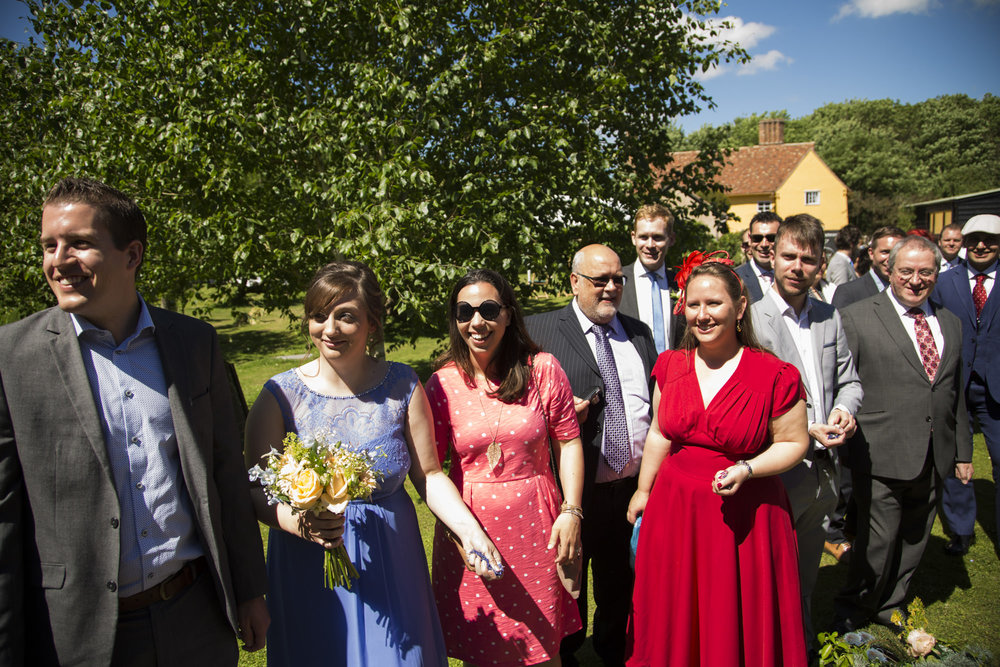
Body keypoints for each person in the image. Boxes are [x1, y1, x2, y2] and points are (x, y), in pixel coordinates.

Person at [0, 177, 269, 666]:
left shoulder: (194, 343)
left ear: (132, 255)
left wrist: (250, 591)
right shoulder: (11, 358)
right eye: (49, 245)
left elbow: (226, 474)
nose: (58, 260)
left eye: (79, 243)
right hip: (78, 634)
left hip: (196, 616)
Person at [245, 262, 501, 666]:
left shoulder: (402, 385)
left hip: (391, 559)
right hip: (307, 565)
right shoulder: (278, 396)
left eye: (345, 316)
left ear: (373, 323)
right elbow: (255, 491)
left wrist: (469, 530)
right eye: (318, 316)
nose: (329, 329)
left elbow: (430, 475)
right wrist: (300, 522)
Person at [626, 257, 810, 666]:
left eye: (714, 304)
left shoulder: (776, 375)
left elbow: (794, 442)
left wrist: (748, 469)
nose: (702, 315)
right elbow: (660, 431)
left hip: (747, 516)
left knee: (733, 614)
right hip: (675, 510)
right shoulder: (670, 365)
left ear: (740, 307)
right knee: (676, 611)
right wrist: (642, 491)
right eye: (693, 305)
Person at [427, 268, 585, 665]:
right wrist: (461, 534)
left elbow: (568, 443)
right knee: (485, 646)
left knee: (543, 650)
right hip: (471, 532)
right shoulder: (442, 384)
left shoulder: (542, 369)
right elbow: (430, 472)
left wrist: (571, 510)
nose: (476, 321)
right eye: (464, 311)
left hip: (537, 528)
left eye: (488, 309)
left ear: (509, 314)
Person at [833, 235, 973, 632]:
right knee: (877, 542)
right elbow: (843, 382)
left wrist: (962, 450)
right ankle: (852, 606)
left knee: (915, 538)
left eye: (925, 272)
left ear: (936, 273)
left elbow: (954, 392)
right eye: (906, 271)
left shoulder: (950, 322)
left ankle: (891, 604)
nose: (915, 280)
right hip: (879, 451)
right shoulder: (858, 316)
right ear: (889, 272)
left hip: (934, 452)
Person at [526, 245, 657, 666]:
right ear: (574, 282)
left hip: (631, 489)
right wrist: (555, 417)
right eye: (600, 280)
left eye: (617, 279)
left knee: (621, 585)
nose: (612, 288)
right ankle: (566, 654)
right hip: (573, 495)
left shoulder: (638, 333)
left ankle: (614, 652)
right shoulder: (540, 331)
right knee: (569, 586)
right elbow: (515, 410)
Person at [751, 214, 863, 649]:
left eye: (809, 259)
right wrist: (801, 428)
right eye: (789, 256)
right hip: (776, 471)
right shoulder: (750, 319)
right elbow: (743, 399)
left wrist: (844, 412)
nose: (798, 266)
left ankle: (801, 646)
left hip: (826, 470)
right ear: (773, 257)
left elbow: (849, 381)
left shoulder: (829, 316)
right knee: (767, 576)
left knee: (805, 576)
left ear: (821, 265)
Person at [930, 214, 1000, 556]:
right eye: (975, 239)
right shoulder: (944, 282)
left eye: (990, 239)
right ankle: (960, 529)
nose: (982, 245)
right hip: (954, 384)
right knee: (956, 456)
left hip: (996, 389)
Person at [618, 204, 684, 353]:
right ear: (634, 238)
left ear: (671, 239)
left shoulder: (682, 284)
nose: (650, 245)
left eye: (657, 237)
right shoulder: (617, 283)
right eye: (643, 237)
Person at [831, 226, 906, 310]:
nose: (890, 258)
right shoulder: (849, 292)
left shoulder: (910, 293)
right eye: (885, 252)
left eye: (896, 252)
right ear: (871, 253)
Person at [735, 211, 783, 303]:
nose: (764, 244)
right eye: (757, 238)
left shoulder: (793, 276)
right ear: (749, 239)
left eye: (771, 238)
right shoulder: (735, 279)